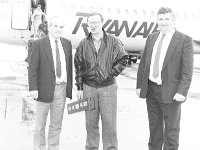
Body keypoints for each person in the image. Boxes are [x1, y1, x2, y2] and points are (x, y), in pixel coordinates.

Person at [136, 7, 193, 150]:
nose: (163, 22)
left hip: (172, 92)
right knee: (154, 129)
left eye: (167, 19)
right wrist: (139, 85)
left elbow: (187, 71)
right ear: (157, 21)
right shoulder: (152, 37)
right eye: (161, 19)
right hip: (151, 90)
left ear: (173, 20)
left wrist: (182, 92)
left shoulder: (184, 40)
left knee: (171, 132)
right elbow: (144, 64)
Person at [74, 12, 128, 150]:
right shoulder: (83, 44)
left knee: (109, 123)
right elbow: (78, 66)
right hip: (88, 88)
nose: (93, 25)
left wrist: (110, 73)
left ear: (102, 23)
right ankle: (91, 147)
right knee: (90, 123)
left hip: (108, 88)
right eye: (90, 23)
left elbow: (123, 59)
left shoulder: (113, 41)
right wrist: (79, 88)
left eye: (96, 22)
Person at [28, 16, 73, 150]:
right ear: (50, 27)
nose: (58, 29)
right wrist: (33, 88)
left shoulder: (67, 43)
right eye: (55, 26)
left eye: (61, 27)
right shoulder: (38, 44)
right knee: (40, 125)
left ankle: (53, 147)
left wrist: (69, 88)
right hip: (43, 89)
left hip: (61, 88)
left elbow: (69, 67)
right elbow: (33, 68)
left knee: (56, 125)